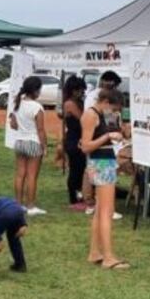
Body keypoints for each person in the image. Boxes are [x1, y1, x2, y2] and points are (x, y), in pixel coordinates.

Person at [81, 88, 129, 270]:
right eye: (114, 108)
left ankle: (95, 252)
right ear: (106, 102)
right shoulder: (90, 116)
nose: (115, 112)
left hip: (105, 161)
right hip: (100, 163)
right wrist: (107, 136)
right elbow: (85, 146)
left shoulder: (102, 115)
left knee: (101, 209)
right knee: (106, 211)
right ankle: (108, 256)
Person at [10, 76, 47, 216]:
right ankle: (30, 206)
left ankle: (18, 204)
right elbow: (41, 130)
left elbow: (13, 125)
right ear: (36, 90)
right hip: (33, 142)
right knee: (32, 176)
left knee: (20, 175)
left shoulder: (17, 103)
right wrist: (44, 146)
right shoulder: (37, 107)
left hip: (19, 142)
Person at [57, 75, 88, 211]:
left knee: (80, 169)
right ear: (73, 90)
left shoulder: (77, 102)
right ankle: (73, 198)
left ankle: (78, 195)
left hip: (78, 139)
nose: (82, 93)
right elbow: (82, 119)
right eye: (79, 90)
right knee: (75, 170)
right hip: (73, 140)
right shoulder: (70, 103)